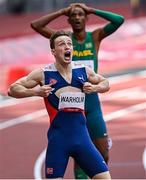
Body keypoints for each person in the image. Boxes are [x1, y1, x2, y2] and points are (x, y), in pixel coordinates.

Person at [30, 3, 124, 178]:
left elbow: (119, 20)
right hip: (69, 107)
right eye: (73, 15)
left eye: (81, 14)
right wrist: (61, 11)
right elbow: (36, 25)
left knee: (102, 150)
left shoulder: (94, 37)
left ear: (86, 18)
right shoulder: (64, 40)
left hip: (92, 102)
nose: (77, 17)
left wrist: (92, 9)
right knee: (77, 147)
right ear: (69, 19)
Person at [8, 30, 111, 179]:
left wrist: (95, 88)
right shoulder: (44, 74)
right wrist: (36, 92)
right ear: (53, 51)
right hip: (59, 142)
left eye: (69, 44)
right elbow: (13, 89)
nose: (67, 47)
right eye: (62, 44)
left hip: (83, 140)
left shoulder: (82, 70)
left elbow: (105, 83)